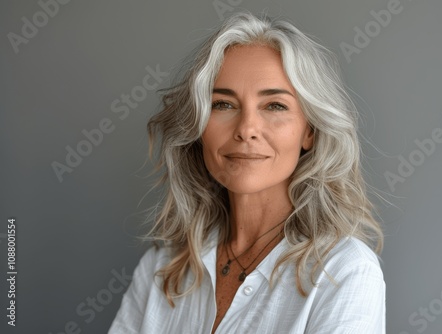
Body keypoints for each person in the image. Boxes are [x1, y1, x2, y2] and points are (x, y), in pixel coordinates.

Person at [109, 11, 385, 334]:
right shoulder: (161, 269)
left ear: (309, 131)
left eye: (275, 106)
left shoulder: (346, 271)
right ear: (198, 127)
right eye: (224, 104)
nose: (246, 129)